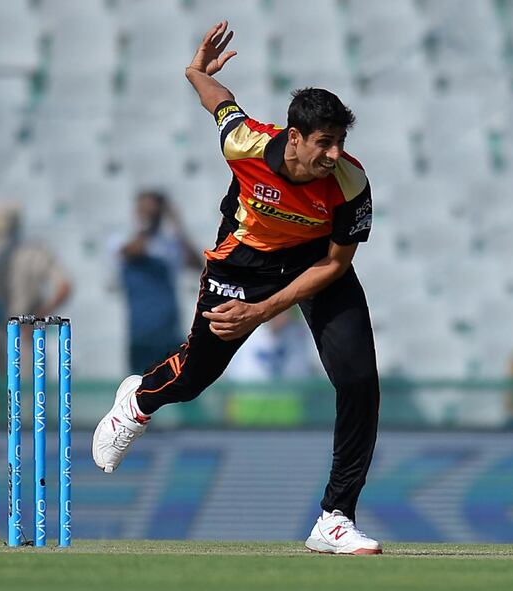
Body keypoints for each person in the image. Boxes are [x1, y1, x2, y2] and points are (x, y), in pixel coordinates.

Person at [92, 21, 381, 555]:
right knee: (196, 377)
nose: (334, 154)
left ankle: (335, 517)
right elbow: (221, 102)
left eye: (341, 142)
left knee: (360, 380)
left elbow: (338, 263)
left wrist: (265, 311)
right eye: (324, 142)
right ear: (294, 137)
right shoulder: (246, 143)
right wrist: (194, 71)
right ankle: (138, 401)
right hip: (242, 264)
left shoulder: (350, 184)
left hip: (317, 267)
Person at [0, 202, 72, 377]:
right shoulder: (34, 252)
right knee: (28, 398)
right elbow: (64, 286)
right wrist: (40, 317)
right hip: (23, 335)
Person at [118, 190, 201, 374]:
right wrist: (149, 225)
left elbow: (197, 263)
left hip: (169, 332)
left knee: (185, 384)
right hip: (141, 334)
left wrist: (177, 224)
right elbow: (131, 251)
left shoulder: (169, 244)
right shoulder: (122, 238)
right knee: (140, 390)